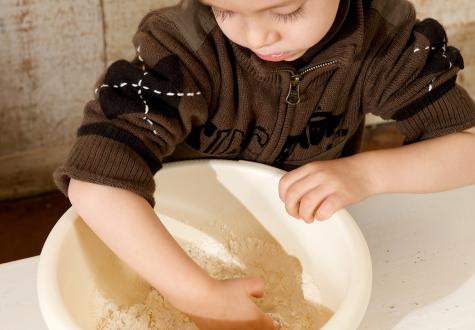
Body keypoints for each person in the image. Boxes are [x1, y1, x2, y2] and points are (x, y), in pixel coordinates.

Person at [54, 0, 475, 328]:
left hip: (318, 233)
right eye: (225, 9)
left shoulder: (383, 41)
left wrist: (366, 174)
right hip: (177, 239)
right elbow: (95, 182)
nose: (256, 36)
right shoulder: (183, 50)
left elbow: (467, 148)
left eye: (286, 10)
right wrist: (198, 296)